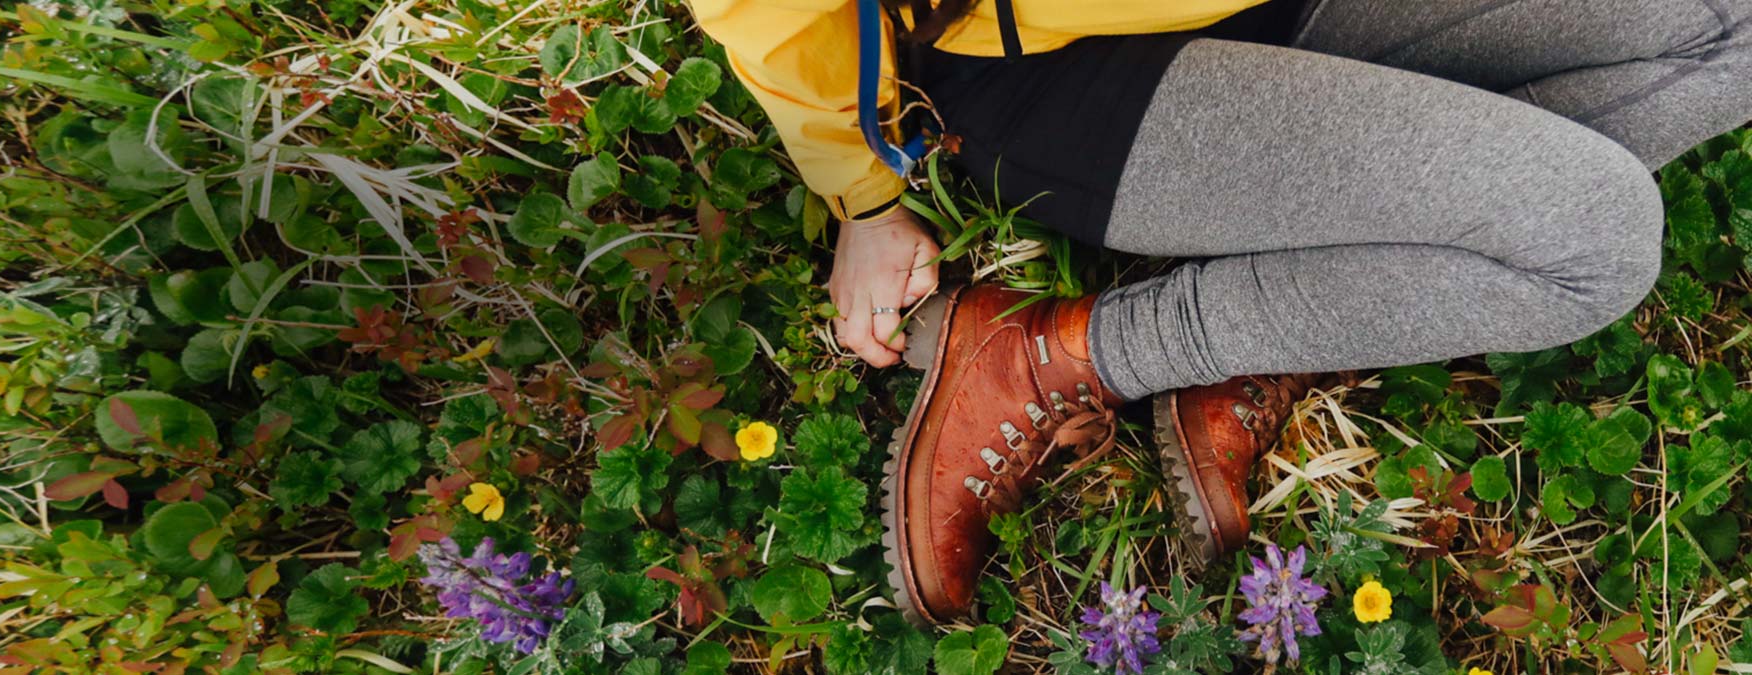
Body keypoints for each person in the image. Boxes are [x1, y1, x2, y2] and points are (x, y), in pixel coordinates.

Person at [685, 0, 1752, 625]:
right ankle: (1055, 353)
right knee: (1596, 239)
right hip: (1047, 68)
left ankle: (1313, 290)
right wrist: (861, 189)